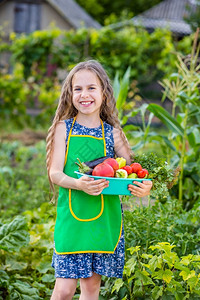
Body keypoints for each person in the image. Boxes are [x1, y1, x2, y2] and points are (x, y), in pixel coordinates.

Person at [46, 60, 152, 300]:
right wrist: (80, 184)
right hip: (72, 219)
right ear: (69, 94)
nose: (84, 94)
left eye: (91, 88)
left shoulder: (113, 133)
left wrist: (145, 186)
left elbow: (134, 171)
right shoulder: (64, 128)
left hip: (104, 220)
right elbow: (55, 173)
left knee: (92, 288)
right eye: (78, 89)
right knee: (63, 290)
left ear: (104, 92)